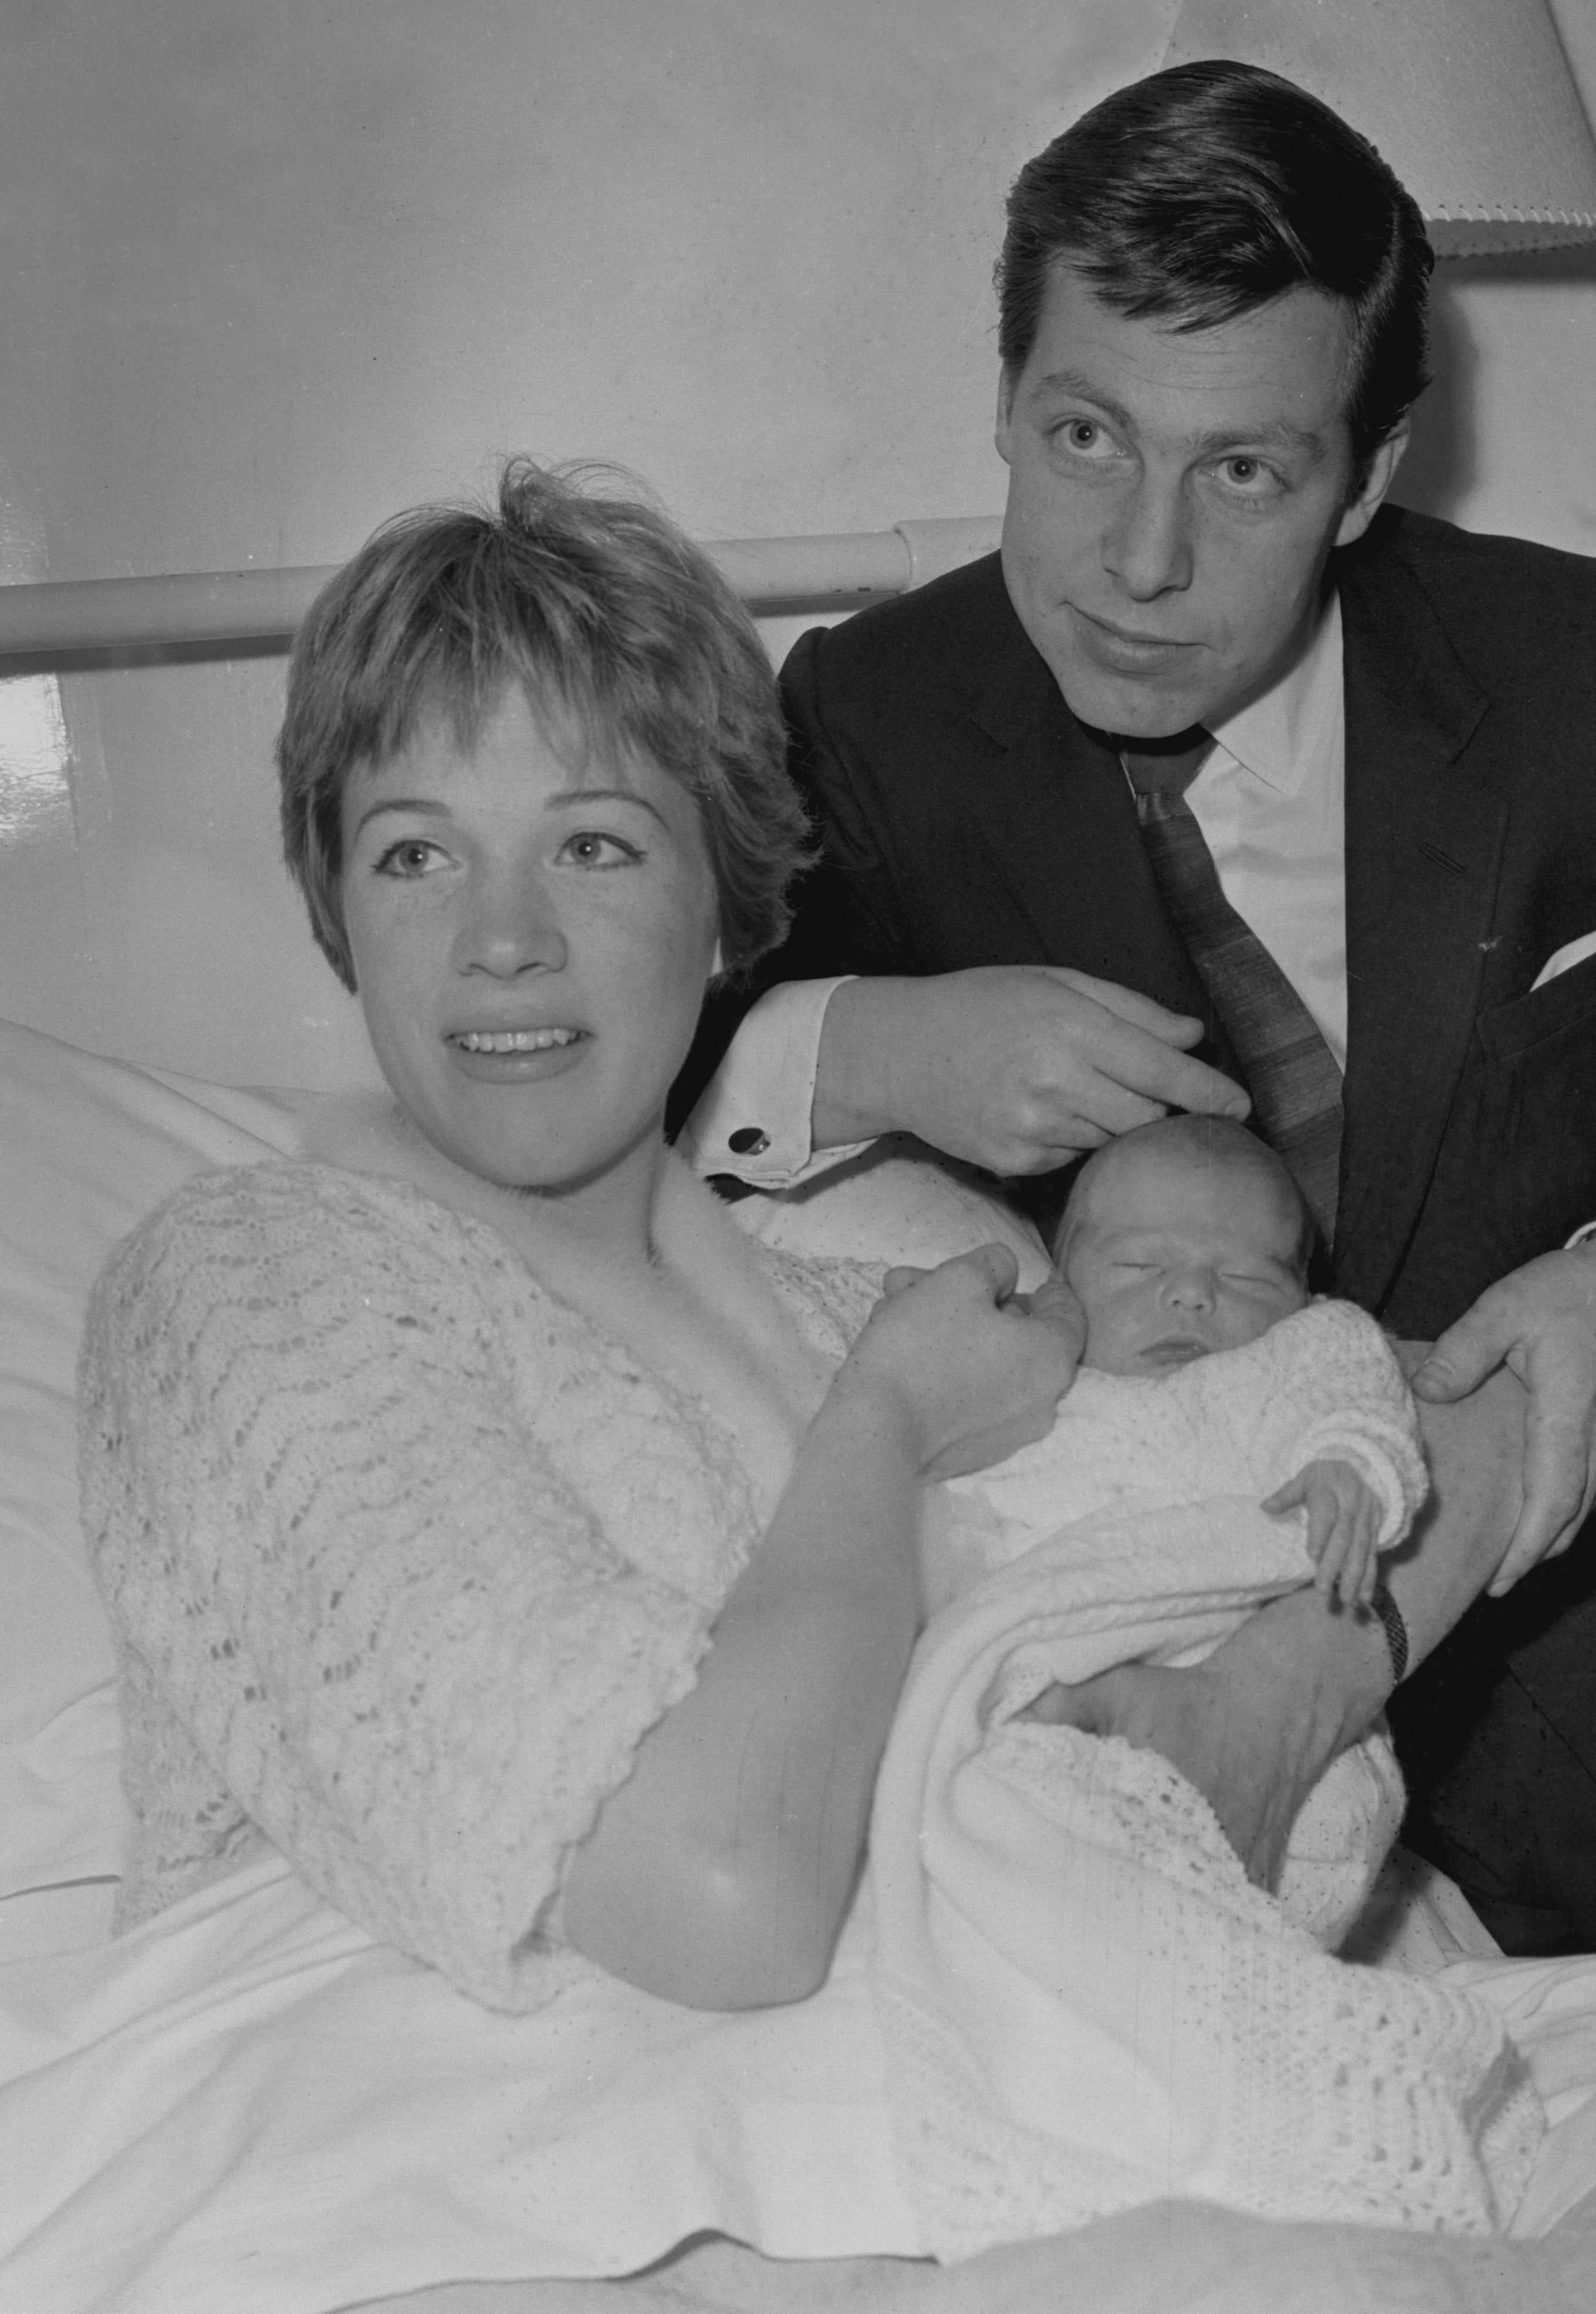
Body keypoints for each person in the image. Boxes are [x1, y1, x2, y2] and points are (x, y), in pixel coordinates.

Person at [676, 60, 1596, 2159]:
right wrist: (874, 1046)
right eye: (1081, 439)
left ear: (1365, 472)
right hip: (1279, 1863)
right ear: (1001, 398)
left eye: (1241, 471)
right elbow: (638, 1038)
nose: (1134, 559)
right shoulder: (877, 719)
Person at [79, 464, 1085, 2018]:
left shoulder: (883, 1319)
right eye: (415, 853)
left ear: (729, 908)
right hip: (418, 2171)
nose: (501, 939)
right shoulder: (249, 1282)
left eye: (594, 846)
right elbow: (723, 1898)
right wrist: (883, 1433)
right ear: (338, 910)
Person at [925, 1112, 1425, 1947]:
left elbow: (1356, 1387)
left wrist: (1349, 1464)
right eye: (1139, 1265)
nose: (1192, 1294)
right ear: (1058, 1285)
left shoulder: (1287, 1364)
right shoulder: (1028, 1375)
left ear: (1304, 1302)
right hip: (1047, 1676)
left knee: (1320, 1822)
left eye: (1250, 1280)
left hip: (1254, 1708)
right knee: (982, 1792)